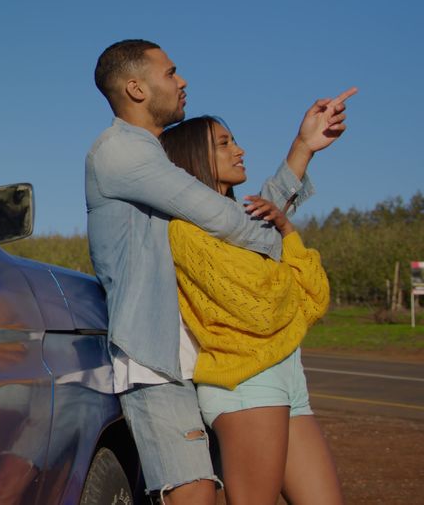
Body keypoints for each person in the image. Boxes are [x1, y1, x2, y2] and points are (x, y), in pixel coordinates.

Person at [85, 38, 354, 503]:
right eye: (170, 72)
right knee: (196, 497)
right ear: (136, 88)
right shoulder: (119, 153)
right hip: (158, 363)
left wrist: (302, 149)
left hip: (200, 356)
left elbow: (232, 214)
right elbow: (227, 221)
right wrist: (283, 237)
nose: (182, 79)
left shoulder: (155, 161)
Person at [161, 115, 342, 504]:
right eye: (224, 144)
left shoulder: (247, 225)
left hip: (289, 376)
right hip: (246, 384)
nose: (239, 150)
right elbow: (262, 311)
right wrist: (283, 271)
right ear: (193, 158)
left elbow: (315, 300)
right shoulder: (187, 232)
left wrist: (288, 232)